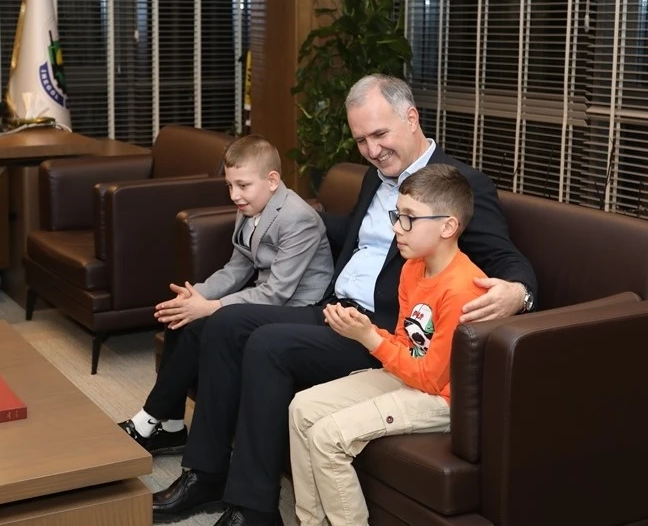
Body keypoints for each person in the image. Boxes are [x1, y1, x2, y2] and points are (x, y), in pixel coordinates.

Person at [151, 74, 538, 526]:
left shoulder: (458, 185)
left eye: (380, 134)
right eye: (361, 141)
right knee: (221, 323)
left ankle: (254, 509)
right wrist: (296, 217)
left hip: (382, 330)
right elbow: (355, 236)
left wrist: (519, 291)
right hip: (334, 307)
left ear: (411, 118)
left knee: (268, 346)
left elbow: (507, 258)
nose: (372, 150)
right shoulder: (376, 178)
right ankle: (207, 474)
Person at [289, 163, 483, 526]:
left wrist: (370, 338)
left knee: (329, 436)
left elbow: (431, 378)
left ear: (448, 226)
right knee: (301, 408)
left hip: (442, 399)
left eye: (409, 218)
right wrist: (364, 330)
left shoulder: (462, 289)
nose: (396, 227)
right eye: (397, 215)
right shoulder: (412, 267)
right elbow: (405, 342)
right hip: (410, 376)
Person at [119, 134, 334, 456]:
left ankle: (147, 419)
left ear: (272, 180)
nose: (234, 195)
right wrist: (195, 296)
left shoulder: (298, 218)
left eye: (242, 185)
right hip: (265, 296)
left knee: (201, 325)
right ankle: (173, 428)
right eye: (230, 186)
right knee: (181, 316)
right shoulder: (249, 205)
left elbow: (277, 293)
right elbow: (237, 268)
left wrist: (211, 307)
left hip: (297, 307)